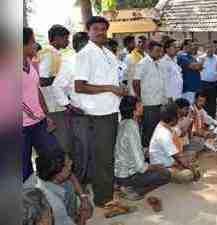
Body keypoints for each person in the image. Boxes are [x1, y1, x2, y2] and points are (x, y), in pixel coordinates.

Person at [71, 16, 128, 207]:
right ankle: (104, 199)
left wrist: (119, 87)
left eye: (104, 29)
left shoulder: (107, 52)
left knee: (107, 156)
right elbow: (79, 86)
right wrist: (111, 88)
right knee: (103, 158)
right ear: (88, 31)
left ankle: (106, 192)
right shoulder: (85, 54)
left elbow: (112, 79)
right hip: (98, 114)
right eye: (96, 29)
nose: (101, 32)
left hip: (110, 110)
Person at [114, 96, 171, 201]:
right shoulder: (131, 126)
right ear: (134, 111)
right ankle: (135, 191)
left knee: (154, 162)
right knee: (166, 174)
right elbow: (141, 167)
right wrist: (158, 167)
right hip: (127, 176)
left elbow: (132, 150)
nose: (142, 107)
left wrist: (145, 152)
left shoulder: (123, 123)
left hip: (119, 173)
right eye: (139, 105)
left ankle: (122, 186)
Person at [22, 27, 60, 182]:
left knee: (53, 157)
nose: (35, 45)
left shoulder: (30, 63)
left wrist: (46, 115)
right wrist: (34, 114)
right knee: (23, 168)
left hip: (39, 122)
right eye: (32, 41)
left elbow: (37, 91)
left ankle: (52, 195)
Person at [24, 150, 93, 225]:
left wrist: (83, 198)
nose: (71, 162)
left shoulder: (45, 172)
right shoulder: (54, 205)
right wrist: (83, 216)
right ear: (58, 174)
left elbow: (71, 175)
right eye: (68, 164)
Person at [38, 25, 72, 153]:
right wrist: (61, 79)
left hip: (56, 103)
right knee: (61, 139)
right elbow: (42, 80)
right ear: (57, 38)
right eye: (66, 39)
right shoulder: (49, 54)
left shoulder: (54, 53)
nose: (68, 42)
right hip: (52, 104)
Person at [149, 103, 200, 183]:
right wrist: (192, 169)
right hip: (163, 168)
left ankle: (181, 169)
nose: (179, 117)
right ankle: (171, 175)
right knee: (188, 175)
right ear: (173, 118)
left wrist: (190, 119)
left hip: (171, 161)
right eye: (178, 115)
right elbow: (178, 157)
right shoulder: (163, 134)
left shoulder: (166, 126)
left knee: (193, 155)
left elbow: (181, 133)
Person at [134, 40, 167, 148]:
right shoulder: (143, 63)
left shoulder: (159, 63)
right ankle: (147, 154)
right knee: (149, 129)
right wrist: (139, 100)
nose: (160, 54)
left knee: (158, 129)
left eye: (161, 51)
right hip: (148, 102)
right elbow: (136, 82)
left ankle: (155, 151)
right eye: (157, 51)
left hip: (159, 101)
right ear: (149, 50)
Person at [177, 39, 203, 104]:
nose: (192, 47)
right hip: (188, 89)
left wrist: (198, 65)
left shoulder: (191, 56)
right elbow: (195, 66)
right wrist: (201, 62)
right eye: (190, 45)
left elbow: (200, 68)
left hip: (194, 88)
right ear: (185, 46)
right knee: (187, 109)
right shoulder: (181, 55)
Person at [198, 43, 217, 117]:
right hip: (203, 83)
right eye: (208, 48)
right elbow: (198, 70)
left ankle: (212, 119)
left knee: (213, 102)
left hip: (214, 84)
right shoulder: (200, 58)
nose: (210, 50)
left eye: (211, 48)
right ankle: (202, 118)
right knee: (203, 102)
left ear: (213, 49)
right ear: (205, 49)